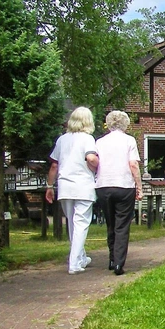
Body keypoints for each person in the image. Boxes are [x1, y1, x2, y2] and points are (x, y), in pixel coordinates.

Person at [45, 107, 99, 275]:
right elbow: (91, 158)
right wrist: (97, 165)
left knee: (72, 224)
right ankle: (74, 263)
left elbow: (54, 165)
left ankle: (81, 257)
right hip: (83, 185)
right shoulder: (88, 139)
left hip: (65, 186)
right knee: (81, 224)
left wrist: (49, 186)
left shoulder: (62, 140)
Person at [95, 110, 143, 276]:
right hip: (123, 186)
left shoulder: (99, 142)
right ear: (125, 124)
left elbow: (94, 163)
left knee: (110, 223)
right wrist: (139, 187)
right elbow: (133, 165)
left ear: (108, 124)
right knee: (122, 225)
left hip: (103, 186)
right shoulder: (129, 140)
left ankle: (111, 258)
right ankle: (118, 264)